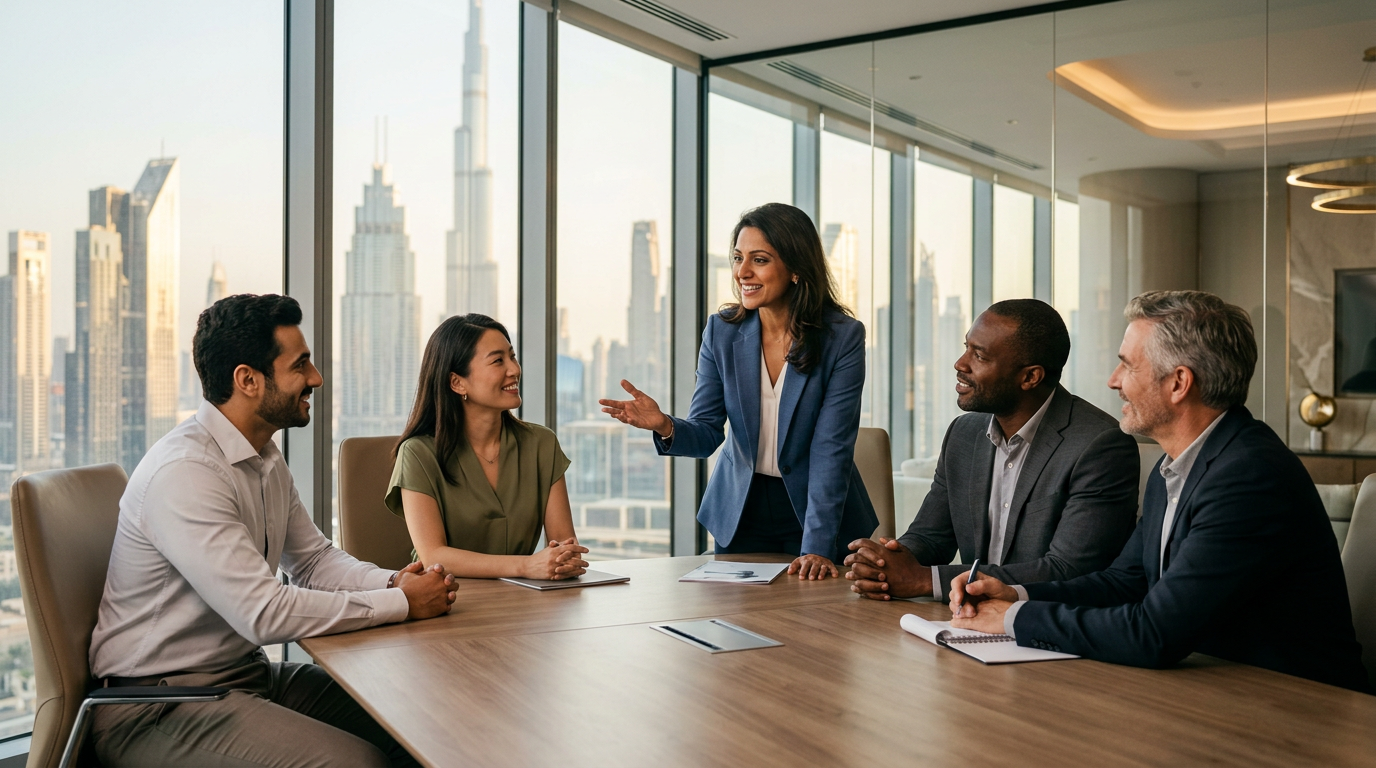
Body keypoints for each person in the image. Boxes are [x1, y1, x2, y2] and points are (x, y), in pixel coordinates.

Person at [89, 294, 457, 767]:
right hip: (157, 706)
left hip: (245, 679)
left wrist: (393, 582)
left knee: (416, 720)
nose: (316, 378)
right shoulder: (187, 472)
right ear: (248, 379)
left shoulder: (262, 456)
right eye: (300, 365)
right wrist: (403, 604)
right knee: (356, 765)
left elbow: (312, 560)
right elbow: (262, 613)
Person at [950, 290, 1369, 692]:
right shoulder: (1177, 463)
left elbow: (1154, 633)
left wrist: (1013, 618)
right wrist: (1015, 593)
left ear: (1179, 383)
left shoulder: (1249, 477)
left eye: (1127, 366)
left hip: (1299, 710)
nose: (1113, 381)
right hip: (1212, 689)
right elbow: (1124, 582)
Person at [601, 202, 877, 578]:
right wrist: (665, 425)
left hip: (817, 513)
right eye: (737, 258)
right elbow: (707, 432)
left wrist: (815, 548)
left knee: (814, 625)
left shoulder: (841, 338)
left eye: (759, 260)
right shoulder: (722, 331)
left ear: (796, 268)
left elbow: (832, 449)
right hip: (741, 509)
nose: (742, 272)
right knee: (740, 627)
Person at [845, 299, 1139, 600]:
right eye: (966, 347)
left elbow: (1068, 570)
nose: (961, 364)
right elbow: (930, 538)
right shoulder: (964, 433)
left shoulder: (1100, 445)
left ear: (1029, 377)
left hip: (1049, 630)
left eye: (980, 356)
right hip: (969, 621)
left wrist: (925, 581)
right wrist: (884, 564)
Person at [388, 314, 588, 579]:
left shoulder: (541, 443)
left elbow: (565, 547)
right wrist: (526, 566)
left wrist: (562, 561)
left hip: (525, 602)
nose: (514, 369)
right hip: (444, 601)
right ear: (457, 382)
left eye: (512, 356)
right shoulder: (418, 454)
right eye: (498, 361)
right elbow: (433, 556)